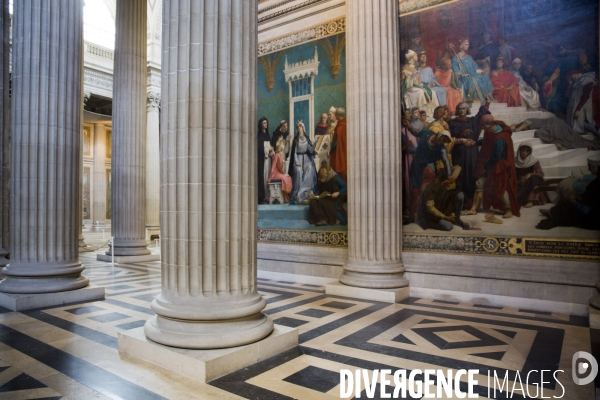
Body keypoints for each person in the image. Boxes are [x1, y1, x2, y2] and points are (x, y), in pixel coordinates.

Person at [463, 114, 520, 220]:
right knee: (479, 183)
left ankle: (509, 210)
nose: (481, 128)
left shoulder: (500, 139)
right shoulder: (492, 130)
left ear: (487, 125)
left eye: (482, 125)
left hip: (499, 166)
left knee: (500, 188)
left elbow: (496, 157)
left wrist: (485, 168)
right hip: (490, 164)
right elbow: (487, 141)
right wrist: (476, 143)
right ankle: (473, 209)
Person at [537, 155, 600, 230]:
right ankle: (551, 212)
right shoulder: (596, 182)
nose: (589, 169)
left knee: (564, 203)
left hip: (592, 222)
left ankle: (551, 213)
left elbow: (585, 210)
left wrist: (573, 201)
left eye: (590, 167)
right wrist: (579, 198)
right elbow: (592, 200)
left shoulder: (594, 185)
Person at [448, 102, 491, 204]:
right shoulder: (453, 122)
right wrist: (462, 134)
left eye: (464, 108)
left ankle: (472, 201)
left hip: (472, 151)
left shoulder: (472, 121)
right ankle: (462, 201)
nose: (462, 110)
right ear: (457, 110)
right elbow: (453, 135)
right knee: (462, 174)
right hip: (460, 151)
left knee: (472, 172)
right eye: (460, 108)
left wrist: (486, 103)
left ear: (467, 110)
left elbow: (480, 115)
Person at [408, 130, 453, 222]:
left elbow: (446, 161)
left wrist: (449, 174)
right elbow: (415, 131)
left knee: (424, 192)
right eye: (443, 138)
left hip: (427, 169)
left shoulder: (442, 149)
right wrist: (407, 125)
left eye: (445, 141)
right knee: (415, 192)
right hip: (416, 167)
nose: (443, 142)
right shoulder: (426, 133)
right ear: (438, 134)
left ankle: (423, 216)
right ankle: (411, 216)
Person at [512, 117, 599, 150]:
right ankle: (560, 142)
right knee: (539, 133)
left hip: (554, 122)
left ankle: (592, 144)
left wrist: (513, 128)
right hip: (550, 125)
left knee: (567, 137)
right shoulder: (536, 127)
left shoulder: (528, 121)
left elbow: (517, 130)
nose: (524, 130)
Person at [402, 50, 439, 115]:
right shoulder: (405, 67)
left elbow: (419, 81)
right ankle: (422, 113)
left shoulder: (415, 68)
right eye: (416, 55)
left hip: (416, 87)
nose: (417, 57)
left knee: (433, 92)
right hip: (409, 88)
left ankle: (432, 113)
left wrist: (421, 84)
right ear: (412, 57)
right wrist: (411, 78)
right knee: (420, 92)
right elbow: (403, 82)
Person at [289, 121, 317, 204]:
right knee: (298, 171)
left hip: (306, 158)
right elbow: (294, 152)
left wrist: (315, 143)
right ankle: (298, 194)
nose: (299, 128)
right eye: (298, 127)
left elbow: (311, 150)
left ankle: (305, 192)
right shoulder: (296, 139)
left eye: (300, 126)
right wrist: (296, 161)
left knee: (310, 168)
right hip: (298, 158)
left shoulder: (306, 138)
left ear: (303, 127)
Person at [566, 69, 599, 137]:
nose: (572, 79)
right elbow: (567, 95)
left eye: (572, 77)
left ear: (576, 72)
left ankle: (597, 134)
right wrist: (570, 84)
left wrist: (578, 109)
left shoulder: (587, 79)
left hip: (582, 106)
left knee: (580, 122)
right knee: (574, 123)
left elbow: (586, 96)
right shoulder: (576, 82)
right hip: (574, 106)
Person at [515, 143, 549, 208]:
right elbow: (510, 176)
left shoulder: (534, 161)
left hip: (531, 184)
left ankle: (530, 201)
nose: (524, 153)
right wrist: (518, 182)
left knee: (535, 178)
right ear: (519, 150)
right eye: (523, 150)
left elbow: (541, 173)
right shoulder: (514, 161)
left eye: (527, 151)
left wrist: (530, 174)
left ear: (530, 152)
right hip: (519, 184)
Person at [267, 137, 293, 203]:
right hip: (275, 173)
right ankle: (285, 195)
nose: (283, 146)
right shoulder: (277, 155)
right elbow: (278, 167)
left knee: (287, 177)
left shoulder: (279, 155)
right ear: (280, 146)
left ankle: (285, 195)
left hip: (277, 172)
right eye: (282, 144)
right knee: (286, 178)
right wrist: (283, 174)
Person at [329, 107, 347, 182]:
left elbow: (335, 143)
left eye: (336, 113)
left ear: (338, 115)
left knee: (339, 171)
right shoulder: (346, 123)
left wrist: (330, 152)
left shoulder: (340, 127)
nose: (335, 115)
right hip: (345, 152)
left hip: (339, 153)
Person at [257, 117, 273, 204]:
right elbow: (259, 149)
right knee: (263, 177)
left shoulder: (267, 135)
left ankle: (268, 196)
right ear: (261, 124)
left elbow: (269, 145)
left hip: (268, 160)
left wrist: (271, 150)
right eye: (263, 123)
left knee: (268, 176)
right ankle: (262, 197)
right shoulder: (259, 136)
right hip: (262, 160)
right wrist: (267, 149)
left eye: (266, 122)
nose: (265, 124)